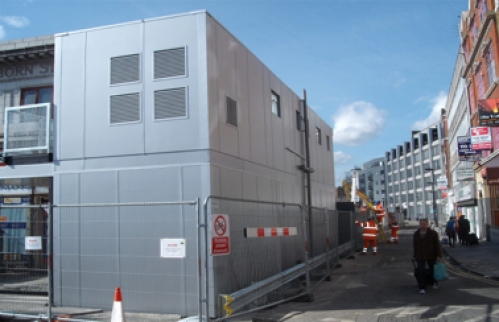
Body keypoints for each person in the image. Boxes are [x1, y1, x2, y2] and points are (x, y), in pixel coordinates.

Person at [413, 218, 443, 294]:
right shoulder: (416, 234)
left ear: (427, 224)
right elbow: (415, 246)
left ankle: (435, 282)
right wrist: (414, 256)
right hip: (420, 255)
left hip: (431, 254)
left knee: (432, 269)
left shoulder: (433, 233)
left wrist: (439, 255)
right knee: (421, 271)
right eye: (421, 223)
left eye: (424, 223)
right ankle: (422, 287)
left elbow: (437, 245)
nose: (422, 225)